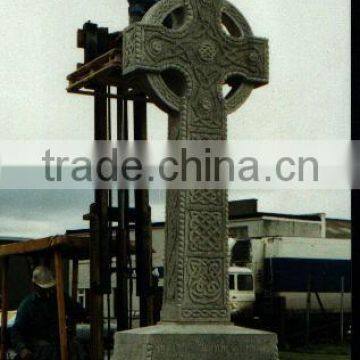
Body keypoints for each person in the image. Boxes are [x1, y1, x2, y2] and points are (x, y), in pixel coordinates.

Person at [11, 265, 88, 360]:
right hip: (38, 351)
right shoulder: (27, 305)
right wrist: (22, 349)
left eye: (48, 288)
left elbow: (78, 311)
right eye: (43, 288)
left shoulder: (58, 298)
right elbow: (16, 331)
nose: (46, 291)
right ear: (35, 286)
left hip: (59, 348)